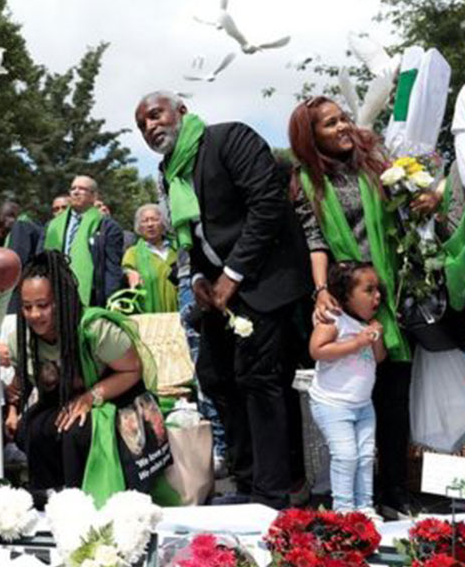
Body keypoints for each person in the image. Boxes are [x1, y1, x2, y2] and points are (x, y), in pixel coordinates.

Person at [136, 90, 311, 508]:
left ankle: (273, 493)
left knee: (259, 379)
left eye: (155, 115)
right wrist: (196, 275)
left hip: (264, 280)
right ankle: (248, 477)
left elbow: (267, 206)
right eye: (141, 125)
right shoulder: (168, 172)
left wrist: (231, 276)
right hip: (217, 290)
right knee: (214, 376)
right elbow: (192, 235)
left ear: (182, 111)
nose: (150, 127)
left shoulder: (230, 139)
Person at [288, 96, 424, 517]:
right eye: (331, 123)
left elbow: (402, 214)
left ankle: (396, 492)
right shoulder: (305, 181)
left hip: (390, 291)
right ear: (312, 137)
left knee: (394, 401)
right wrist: (321, 291)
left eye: (344, 118)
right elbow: (315, 242)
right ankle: (352, 502)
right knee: (356, 399)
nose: (344, 126)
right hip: (349, 298)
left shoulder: (374, 164)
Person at [3, 252, 171, 504]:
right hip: (63, 401)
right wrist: (13, 411)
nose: (35, 314)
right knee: (33, 428)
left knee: (75, 429)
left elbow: (132, 369)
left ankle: (81, 501)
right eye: (27, 307)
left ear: (61, 300)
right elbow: (21, 380)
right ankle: (47, 497)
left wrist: (91, 396)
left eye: (43, 305)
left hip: (115, 401)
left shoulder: (95, 328)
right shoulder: (21, 338)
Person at [308, 262, 385, 518]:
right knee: (345, 456)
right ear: (346, 296)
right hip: (332, 403)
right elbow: (318, 350)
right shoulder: (333, 319)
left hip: (363, 405)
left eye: (378, 290)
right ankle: (343, 510)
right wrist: (358, 342)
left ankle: (365, 507)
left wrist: (376, 339)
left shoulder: (369, 324)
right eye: (369, 290)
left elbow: (379, 358)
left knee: (365, 457)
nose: (377, 296)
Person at [44, 175, 124, 308]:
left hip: (91, 295)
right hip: (56, 292)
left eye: (82, 189)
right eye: (73, 188)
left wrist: (112, 300)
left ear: (94, 196)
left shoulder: (107, 227)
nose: (75, 192)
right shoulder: (52, 226)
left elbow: (112, 268)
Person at [0, 201, 44, 331]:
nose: (6, 222)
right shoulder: (32, 226)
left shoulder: (21, 227)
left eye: (8, 216)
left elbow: (15, 262)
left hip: (17, 292)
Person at [122, 204, 178, 313]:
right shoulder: (133, 253)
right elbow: (126, 270)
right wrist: (129, 273)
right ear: (139, 227)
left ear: (163, 223)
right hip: (149, 317)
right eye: (144, 221)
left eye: (154, 220)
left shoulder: (177, 248)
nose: (150, 224)